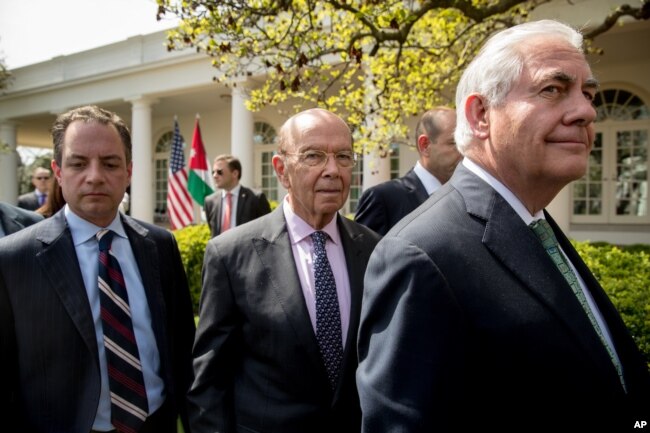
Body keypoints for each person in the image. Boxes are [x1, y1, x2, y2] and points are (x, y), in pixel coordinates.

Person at [357, 19, 650, 432]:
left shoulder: (536, 223)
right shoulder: (421, 254)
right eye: (553, 89)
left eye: (588, 94)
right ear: (480, 115)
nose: (586, 111)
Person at [0, 105, 196, 433]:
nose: (95, 176)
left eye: (110, 163)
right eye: (78, 163)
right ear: (58, 172)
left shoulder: (161, 246)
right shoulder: (14, 259)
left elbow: (182, 351)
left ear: (129, 170)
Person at [188, 108, 382, 433]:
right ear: (281, 170)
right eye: (313, 156)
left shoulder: (376, 249)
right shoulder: (231, 254)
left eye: (344, 157)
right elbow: (210, 380)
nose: (333, 170)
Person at [354, 107, 460, 235]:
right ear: (425, 145)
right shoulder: (384, 199)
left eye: (464, 143)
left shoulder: (463, 198)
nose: (463, 151)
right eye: (454, 143)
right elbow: (364, 254)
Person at [203, 154, 271, 237]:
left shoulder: (256, 198)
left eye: (219, 172)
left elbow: (267, 230)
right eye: (213, 172)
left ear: (235, 173)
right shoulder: (210, 201)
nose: (215, 176)